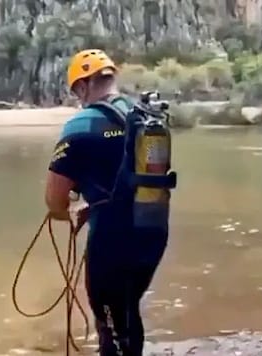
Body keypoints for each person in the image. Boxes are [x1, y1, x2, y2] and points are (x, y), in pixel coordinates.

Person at [44, 49, 167, 356]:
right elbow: (129, 178)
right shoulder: (144, 115)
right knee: (128, 307)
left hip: (112, 242)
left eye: (76, 91)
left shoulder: (81, 125)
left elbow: (55, 200)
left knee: (109, 324)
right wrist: (94, 202)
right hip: (153, 232)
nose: (77, 98)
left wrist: (68, 211)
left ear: (83, 86)